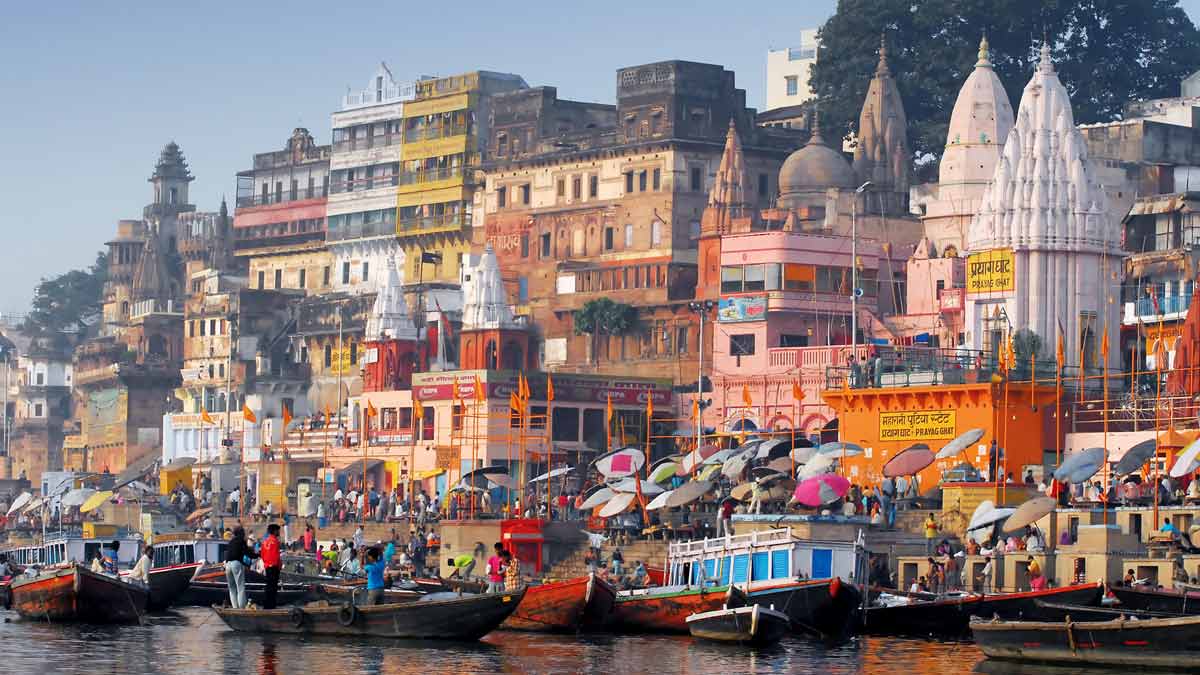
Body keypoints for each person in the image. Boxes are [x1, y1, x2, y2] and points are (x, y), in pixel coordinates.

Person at [224, 527, 256, 609]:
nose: (244, 534)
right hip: (236, 564)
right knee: (240, 588)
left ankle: (235, 608)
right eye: (243, 533)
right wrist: (258, 555)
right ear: (240, 534)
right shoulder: (241, 541)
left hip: (227, 565)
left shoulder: (231, 541)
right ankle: (241, 608)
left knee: (232, 588)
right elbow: (248, 553)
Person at [363, 540, 395, 605]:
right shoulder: (382, 563)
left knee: (369, 609)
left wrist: (364, 555)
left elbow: (363, 565)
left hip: (372, 589)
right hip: (381, 589)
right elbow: (380, 557)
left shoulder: (370, 567)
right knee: (379, 608)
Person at [261, 523, 283, 609]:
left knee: (268, 586)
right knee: (273, 587)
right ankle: (272, 606)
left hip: (267, 566)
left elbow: (262, 555)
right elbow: (277, 556)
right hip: (274, 567)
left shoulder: (265, 542)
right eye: (278, 530)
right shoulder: (275, 541)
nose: (279, 532)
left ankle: (267, 605)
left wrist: (266, 563)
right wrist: (279, 566)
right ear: (274, 531)